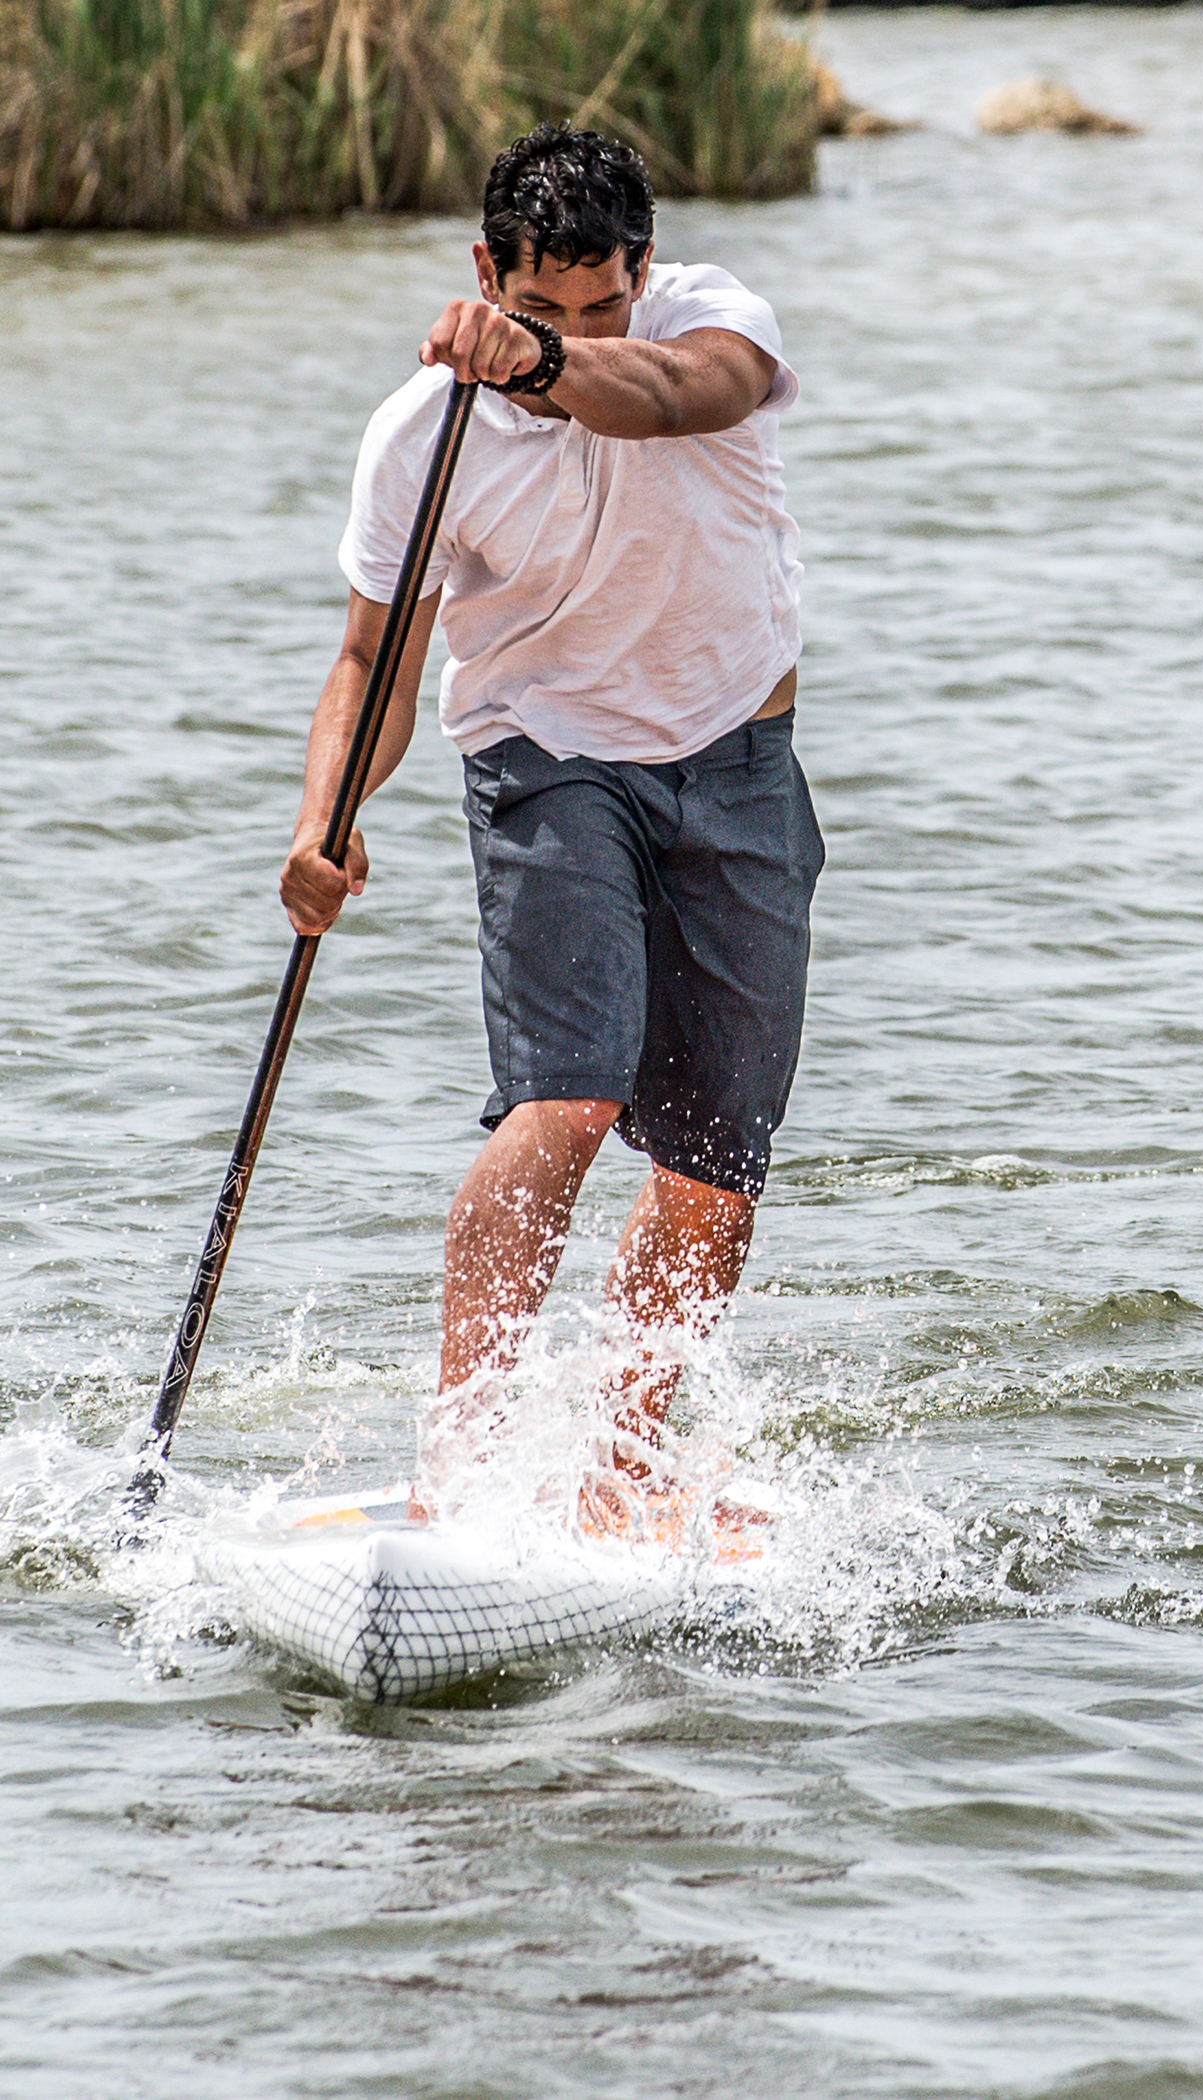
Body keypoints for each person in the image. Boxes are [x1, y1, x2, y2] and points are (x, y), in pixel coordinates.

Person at [279, 123, 823, 1513]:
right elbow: (375, 658)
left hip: (738, 764)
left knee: (710, 1175)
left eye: (604, 301)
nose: (577, 329)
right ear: (484, 271)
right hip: (547, 763)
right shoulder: (423, 437)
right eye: (538, 309)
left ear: (647, 270)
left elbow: (664, 396)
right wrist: (326, 820)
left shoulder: (718, 331)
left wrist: (539, 361)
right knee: (570, 1096)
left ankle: (621, 1469)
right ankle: (456, 1472)